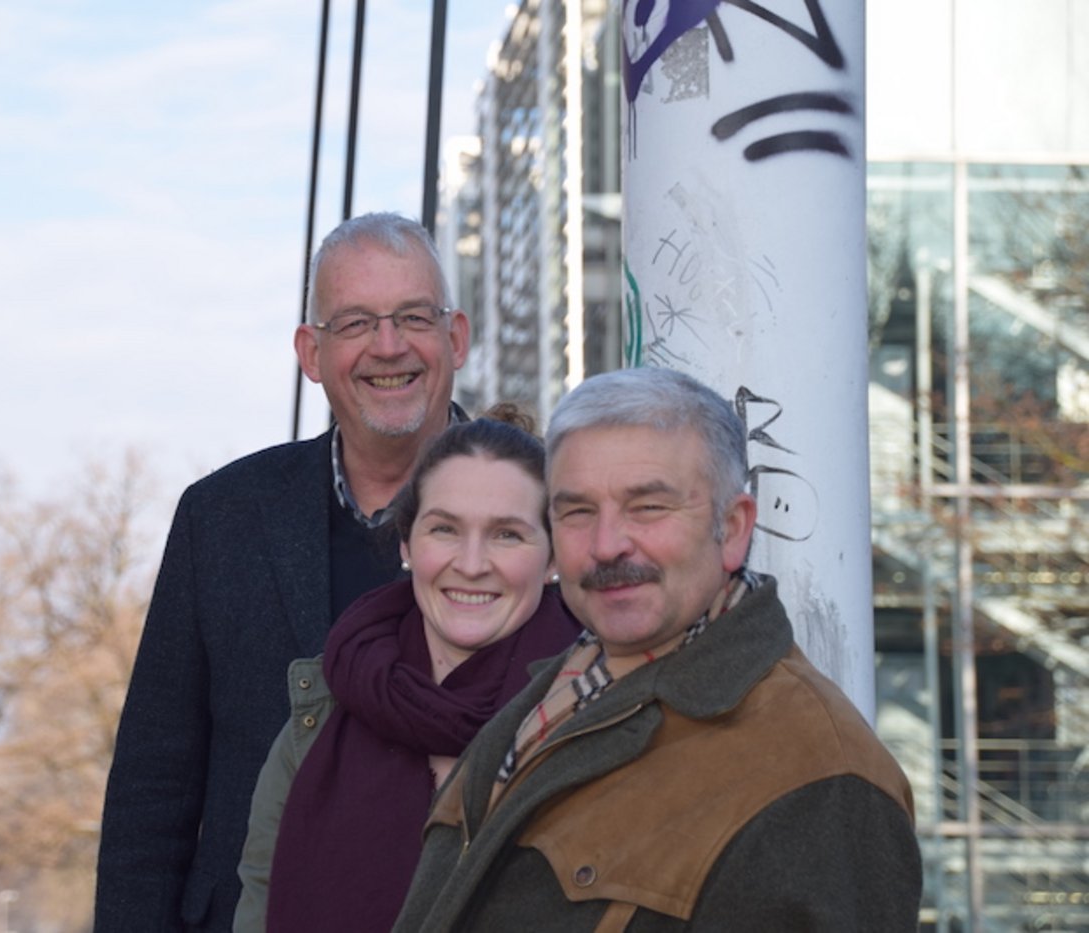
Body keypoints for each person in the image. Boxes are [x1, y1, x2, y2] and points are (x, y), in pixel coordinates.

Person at [393, 367, 923, 932]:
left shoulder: (823, 775)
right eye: (577, 511)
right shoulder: (551, 696)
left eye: (647, 507)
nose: (606, 545)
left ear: (735, 527)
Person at [95, 212, 470, 932]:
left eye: (412, 317)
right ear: (311, 352)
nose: (388, 347)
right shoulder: (221, 518)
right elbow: (153, 788)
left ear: (455, 336)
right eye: (356, 323)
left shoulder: (545, 511)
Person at [233, 409, 581, 933]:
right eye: (444, 529)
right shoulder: (319, 717)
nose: (471, 562)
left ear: (553, 557)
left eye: (507, 535)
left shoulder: (599, 714)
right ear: (405, 543)